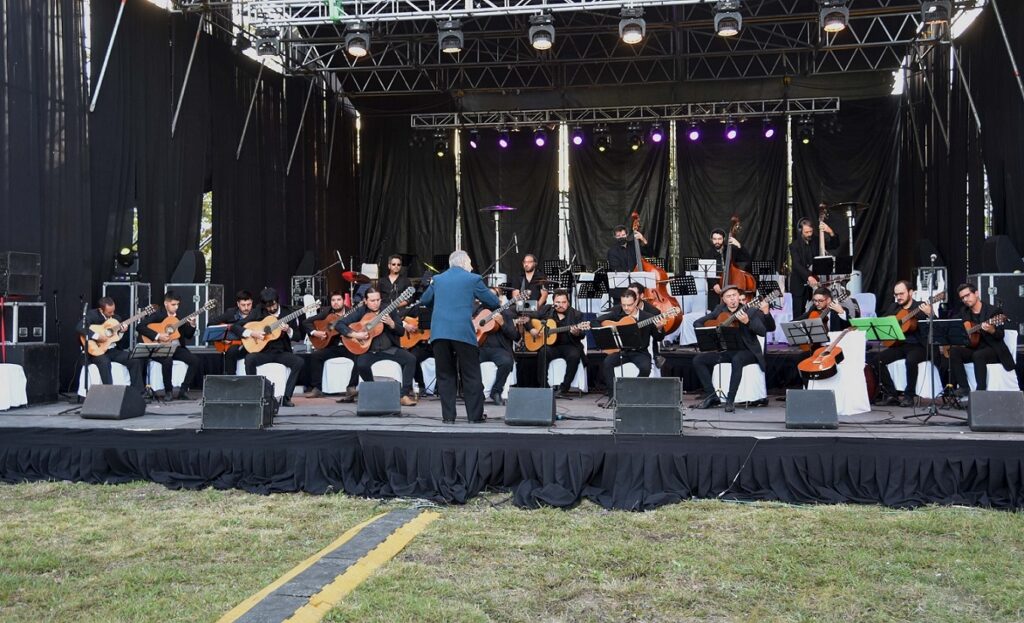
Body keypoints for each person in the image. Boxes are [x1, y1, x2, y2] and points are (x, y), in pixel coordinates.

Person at [419, 250, 501, 423]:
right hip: (462, 332)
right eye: (470, 263)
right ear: (464, 263)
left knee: (445, 375)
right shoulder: (473, 279)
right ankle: (474, 416)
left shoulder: (438, 279)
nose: (471, 267)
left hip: (440, 332)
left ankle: (448, 417)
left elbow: (425, 300)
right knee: (470, 374)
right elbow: (493, 303)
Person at [336, 287, 418, 406]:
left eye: (378, 300)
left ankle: (403, 395)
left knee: (411, 359)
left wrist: (392, 324)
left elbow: (401, 332)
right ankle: (374, 391)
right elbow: (339, 324)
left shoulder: (389, 310)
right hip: (369, 350)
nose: (376, 303)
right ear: (365, 301)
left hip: (389, 349)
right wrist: (355, 334)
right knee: (361, 364)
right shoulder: (360, 311)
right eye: (372, 301)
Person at [692, 285, 767, 413]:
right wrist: (713, 329)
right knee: (698, 360)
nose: (732, 299)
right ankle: (713, 397)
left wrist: (747, 322)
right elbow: (697, 323)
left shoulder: (750, 310)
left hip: (748, 351)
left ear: (739, 297)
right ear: (724, 300)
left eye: (734, 295)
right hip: (728, 351)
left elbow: (762, 332)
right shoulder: (719, 310)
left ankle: (730, 400)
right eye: (728, 296)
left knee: (737, 360)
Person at [234, 287, 305, 408]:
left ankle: (286, 398)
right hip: (263, 352)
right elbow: (236, 327)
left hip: (281, 352)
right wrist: (252, 333)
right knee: (249, 359)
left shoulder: (288, 313)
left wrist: (289, 330)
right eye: (268, 306)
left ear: (277, 301)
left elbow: (298, 336)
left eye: (273, 305)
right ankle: (255, 395)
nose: (271, 308)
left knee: (299, 362)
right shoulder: (258, 311)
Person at [947, 282, 1014, 404]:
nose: (965, 299)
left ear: (976, 293)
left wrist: (992, 329)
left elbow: (1000, 335)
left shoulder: (993, 311)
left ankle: (980, 393)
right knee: (954, 351)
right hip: (973, 347)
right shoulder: (964, 312)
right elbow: (952, 325)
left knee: (978, 355)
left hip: (992, 349)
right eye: (962, 298)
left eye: (967, 295)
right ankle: (964, 387)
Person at [873, 280, 935, 407]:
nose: (898, 297)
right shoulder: (894, 307)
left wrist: (930, 314)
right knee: (877, 360)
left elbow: (937, 327)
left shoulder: (921, 306)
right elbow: (883, 323)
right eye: (896, 295)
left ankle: (909, 396)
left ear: (911, 292)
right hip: (899, 345)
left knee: (911, 360)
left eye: (901, 294)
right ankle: (891, 394)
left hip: (919, 346)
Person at [596, 289, 664, 398]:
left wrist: (659, 328)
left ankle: (633, 393)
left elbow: (659, 338)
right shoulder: (617, 314)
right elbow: (597, 321)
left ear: (636, 301)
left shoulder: (648, 317)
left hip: (640, 352)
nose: (626, 308)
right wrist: (611, 327)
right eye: (624, 305)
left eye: (629, 305)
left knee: (646, 368)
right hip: (622, 351)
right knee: (607, 363)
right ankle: (613, 396)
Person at [75, 297, 146, 396]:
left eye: (113, 311)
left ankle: (137, 393)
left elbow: (116, 338)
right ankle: (109, 394)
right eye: (109, 312)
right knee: (105, 362)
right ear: (101, 310)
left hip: (111, 350)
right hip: (96, 350)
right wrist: (97, 336)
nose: (112, 314)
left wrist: (121, 331)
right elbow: (80, 327)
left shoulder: (116, 319)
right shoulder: (92, 315)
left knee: (134, 359)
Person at [138, 291, 200, 401]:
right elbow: (140, 327)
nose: (176, 307)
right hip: (159, 347)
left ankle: (183, 391)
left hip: (176, 348)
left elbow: (188, 335)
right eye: (173, 304)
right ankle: (168, 391)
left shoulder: (179, 318)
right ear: (166, 303)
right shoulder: (158, 315)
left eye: (177, 304)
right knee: (167, 360)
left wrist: (192, 324)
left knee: (195, 361)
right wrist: (158, 336)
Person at [531, 289, 587, 398]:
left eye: (564, 302)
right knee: (543, 352)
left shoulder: (577, 315)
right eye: (558, 302)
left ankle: (564, 389)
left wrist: (577, 332)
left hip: (570, 345)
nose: (561, 305)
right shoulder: (547, 311)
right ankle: (544, 387)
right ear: (553, 303)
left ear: (568, 302)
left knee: (574, 356)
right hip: (553, 346)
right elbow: (531, 318)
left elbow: (583, 334)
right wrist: (532, 329)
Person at [302, 291, 357, 398]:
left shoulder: (352, 312)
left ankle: (351, 387)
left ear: (343, 301)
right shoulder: (326, 312)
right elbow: (306, 322)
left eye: (338, 300)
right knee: (315, 356)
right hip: (332, 346)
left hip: (348, 346)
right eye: (333, 300)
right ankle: (317, 389)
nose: (336, 303)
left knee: (359, 356)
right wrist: (315, 332)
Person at [477, 287, 522, 406]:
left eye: (493, 296)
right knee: (467, 360)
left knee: (507, 361)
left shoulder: (506, 313)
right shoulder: (476, 311)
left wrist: (502, 323)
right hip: (480, 347)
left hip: (499, 350)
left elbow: (516, 336)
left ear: (497, 299)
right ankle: (477, 393)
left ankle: (496, 391)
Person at [788, 216, 841, 317]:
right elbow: (796, 264)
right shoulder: (794, 246)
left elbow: (834, 245)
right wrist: (808, 276)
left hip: (816, 285)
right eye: (806, 232)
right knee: (798, 315)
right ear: (800, 231)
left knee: (815, 314)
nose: (809, 234)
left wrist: (830, 232)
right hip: (800, 285)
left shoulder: (817, 241)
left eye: (811, 231)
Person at [207, 289, 254, 374]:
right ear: (238, 304)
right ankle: (230, 378)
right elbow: (211, 324)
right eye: (243, 305)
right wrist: (223, 337)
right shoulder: (231, 313)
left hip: (250, 343)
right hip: (235, 344)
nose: (246, 308)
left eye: (249, 304)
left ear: (252, 302)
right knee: (231, 351)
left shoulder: (256, 313)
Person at [704, 228, 750, 308]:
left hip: (732, 282)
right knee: (715, 311)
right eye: (714, 239)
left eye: (719, 239)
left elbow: (747, 258)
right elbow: (707, 272)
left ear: (724, 239)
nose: (717, 241)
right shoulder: (707, 254)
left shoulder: (732, 250)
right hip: (716, 287)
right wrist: (714, 284)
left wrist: (739, 245)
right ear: (711, 239)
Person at [606, 225, 648, 300]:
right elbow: (617, 269)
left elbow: (649, 252)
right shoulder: (612, 251)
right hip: (621, 288)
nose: (621, 237)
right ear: (615, 237)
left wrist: (642, 239)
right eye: (618, 236)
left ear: (627, 235)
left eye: (623, 235)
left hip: (637, 286)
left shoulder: (634, 245)